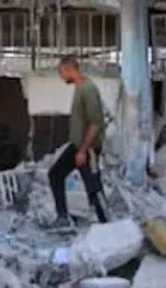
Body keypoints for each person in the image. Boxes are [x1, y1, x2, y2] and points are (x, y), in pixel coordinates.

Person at [48, 55, 109, 224]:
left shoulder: (88, 89)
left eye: (61, 72)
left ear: (69, 69)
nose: (60, 77)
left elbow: (96, 123)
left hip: (87, 149)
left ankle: (106, 223)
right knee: (55, 174)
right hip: (77, 146)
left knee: (93, 188)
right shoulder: (79, 87)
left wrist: (83, 151)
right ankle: (62, 218)